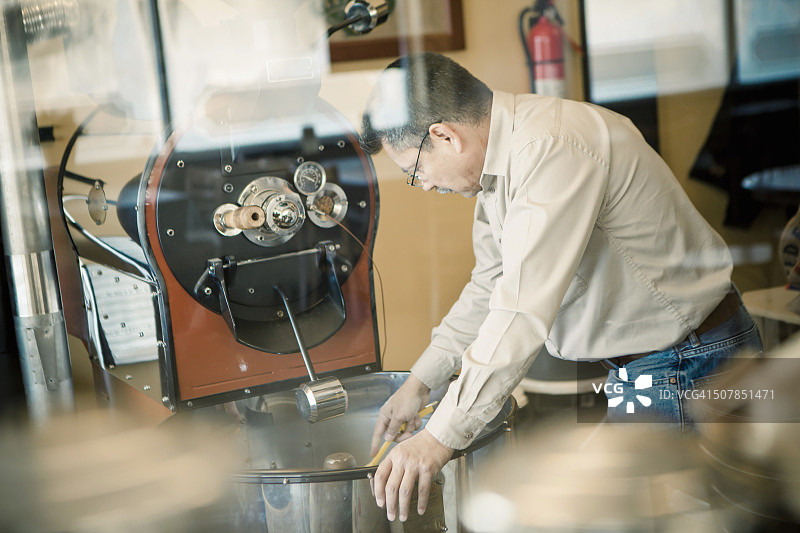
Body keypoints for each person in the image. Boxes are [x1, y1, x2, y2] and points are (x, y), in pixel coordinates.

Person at [359, 52, 763, 523]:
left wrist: (437, 439)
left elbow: (520, 311)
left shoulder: (551, 148)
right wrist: (421, 382)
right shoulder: (505, 159)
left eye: (415, 171)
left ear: (444, 136)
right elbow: (491, 283)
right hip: (653, 366)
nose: (423, 185)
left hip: (688, 364)